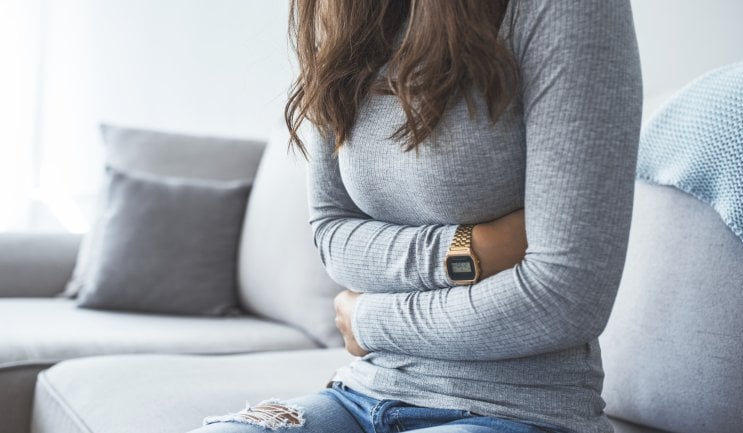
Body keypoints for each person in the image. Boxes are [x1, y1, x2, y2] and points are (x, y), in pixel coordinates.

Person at [190, 0, 642, 432]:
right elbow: (332, 235)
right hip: (361, 392)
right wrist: (470, 249)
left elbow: (564, 299)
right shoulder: (345, 13)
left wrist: (368, 320)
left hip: (520, 409)